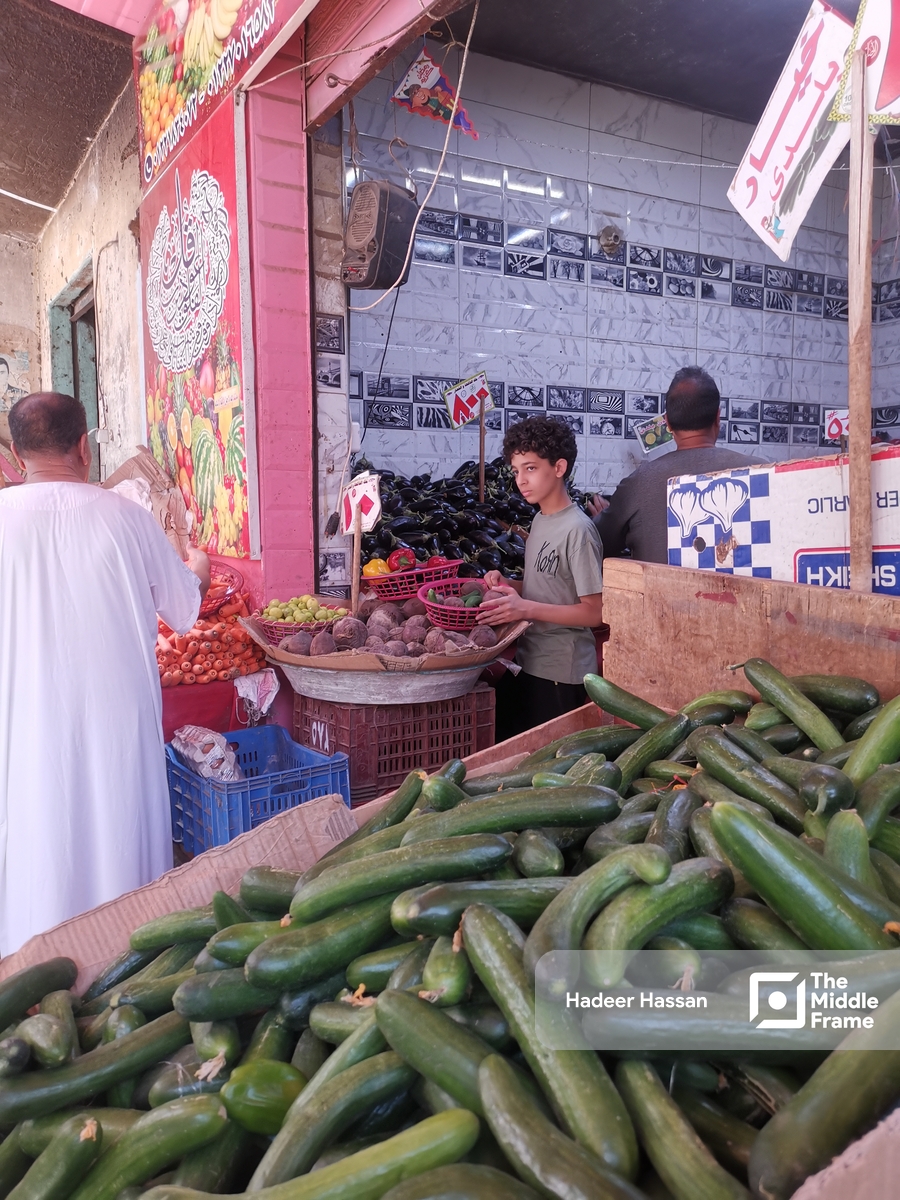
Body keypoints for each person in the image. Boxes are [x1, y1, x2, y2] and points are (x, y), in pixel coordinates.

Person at [0, 392, 211, 955]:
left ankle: (33, 967)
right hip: (117, 719)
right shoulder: (127, 518)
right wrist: (201, 566)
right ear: (83, 448)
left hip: (25, 722)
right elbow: (186, 610)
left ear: (17, 455)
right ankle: (127, 962)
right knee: (122, 832)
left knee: (35, 833)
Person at [477, 416, 604, 739]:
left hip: (563, 672)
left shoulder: (578, 530)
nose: (522, 479)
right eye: (517, 470)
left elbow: (594, 611)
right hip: (529, 662)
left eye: (531, 468)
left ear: (559, 467)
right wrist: (507, 584)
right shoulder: (540, 521)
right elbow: (543, 586)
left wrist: (525, 609)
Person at [590, 367, 764, 563]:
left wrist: (601, 521)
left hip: (660, 594)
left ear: (668, 423)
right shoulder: (763, 473)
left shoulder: (637, 484)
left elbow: (595, 545)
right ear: (718, 418)